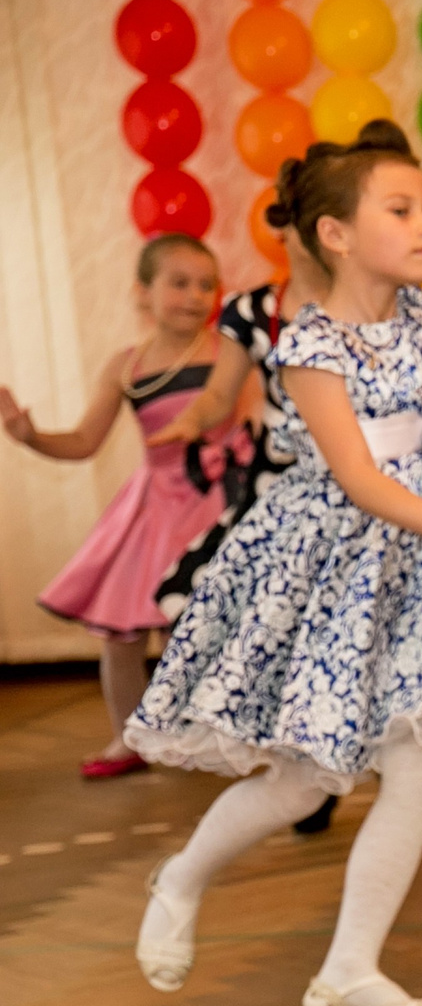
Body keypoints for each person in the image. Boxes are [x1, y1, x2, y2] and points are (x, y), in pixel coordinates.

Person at [126, 121, 422, 1006]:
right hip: (338, 567)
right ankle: (181, 876)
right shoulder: (307, 347)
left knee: (420, 771)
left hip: (421, 567)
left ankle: (349, 970)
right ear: (335, 234)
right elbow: (356, 476)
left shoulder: (419, 315)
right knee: (307, 780)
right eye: (402, 209)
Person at [0, 234, 229, 778]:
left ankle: (214, 732)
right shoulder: (126, 367)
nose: (194, 296)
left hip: (217, 503)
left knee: (195, 625)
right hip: (152, 508)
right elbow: (83, 441)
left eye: (205, 284)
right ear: (142, 293)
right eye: (178, 283)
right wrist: (30, 435)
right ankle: (130, 736)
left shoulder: (228, 353)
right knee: (122, 634)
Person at [150, 236, 344, 832]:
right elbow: (218, 396)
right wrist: (193, 418)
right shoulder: (251, 309)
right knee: (194, 593)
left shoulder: (366, 299)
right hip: (277, 485)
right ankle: (293, 749)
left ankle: (327, 751)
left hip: (352, 484)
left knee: (335, 625)